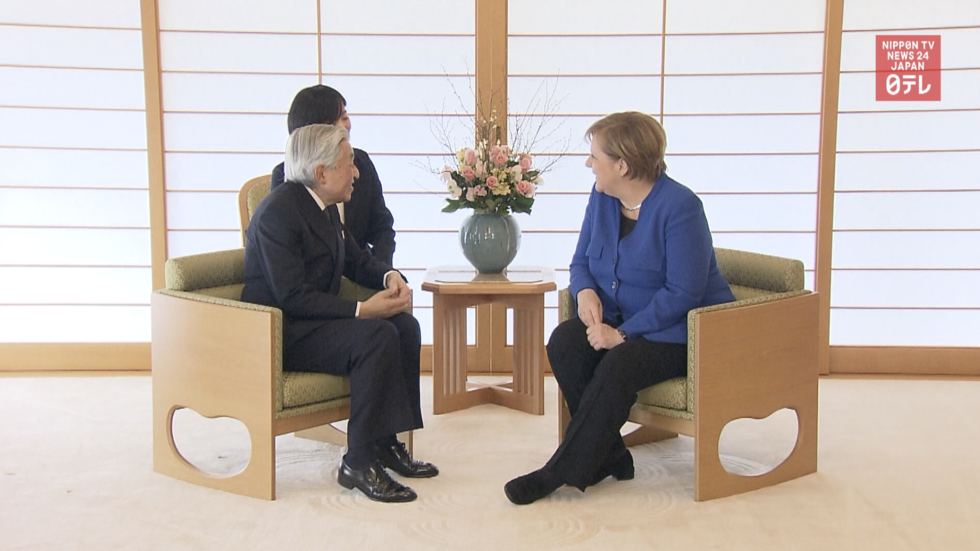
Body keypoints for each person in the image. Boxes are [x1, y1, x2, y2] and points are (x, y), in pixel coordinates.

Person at [504, 112, 736, 505]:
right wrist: (585, 292)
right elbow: (580, 261)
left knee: (620, 362)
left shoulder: (681, 208)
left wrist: (622, 334)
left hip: (681, 333)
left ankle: (561, 471)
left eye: (594, 156)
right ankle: (612, 455)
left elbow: (683, 293)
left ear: (623, 166)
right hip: (621, 319)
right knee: (565, 341)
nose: (588, 163)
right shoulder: (603, 197)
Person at [242, 124, 437, 503]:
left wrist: (388, 274)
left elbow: (354, 258)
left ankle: (385, 442)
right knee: (376, 334)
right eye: (350, 163)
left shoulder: (323, 206)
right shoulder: (276, 214)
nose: (357, 172)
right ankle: (358, 462)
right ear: (321, 173)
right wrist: (362, 309)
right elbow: (292, 296)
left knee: (404, 326)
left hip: (317, 322)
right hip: (284, 332)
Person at [270, 84, 397, 264]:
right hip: (314, 279)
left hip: (360, 271)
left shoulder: (361, 163)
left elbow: (382, 227)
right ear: (320, 131)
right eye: (342, 118)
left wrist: (383, 273)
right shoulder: (287, 177)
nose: (348, 125)